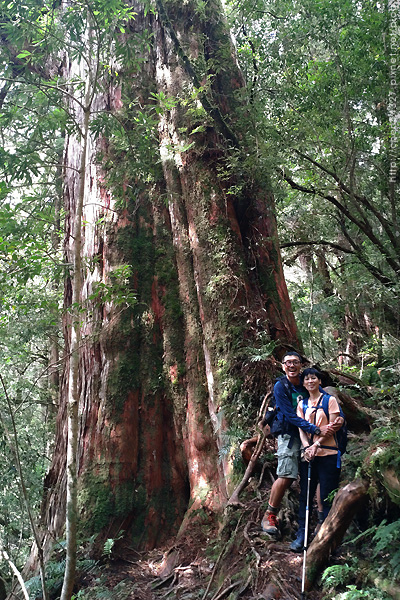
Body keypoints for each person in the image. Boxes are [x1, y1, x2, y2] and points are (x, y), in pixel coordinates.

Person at [261, 352, 335, 535]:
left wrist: (335, 416)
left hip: (310, 436)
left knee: (316, 473)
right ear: (282, 366)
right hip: (290, 434)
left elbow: (321, 396)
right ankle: (269, 515)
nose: (291, 366)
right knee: (287, 475)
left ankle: (320, 518)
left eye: (295, 362)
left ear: (301, 365)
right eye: (288, 363)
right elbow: (289, 414)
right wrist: (315, 429)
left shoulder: (305, 381)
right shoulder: (281, 386)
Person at [289, 367, 343, 552]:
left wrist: (316, 445)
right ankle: (302, 536)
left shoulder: (330, 400)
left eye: (314, 378)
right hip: (309, 455)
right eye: (307, 379)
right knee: (305, 495)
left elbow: (332, 427)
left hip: (328, 453)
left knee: (327, 495)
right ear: (303, 383)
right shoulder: (302, 404)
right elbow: (301, 427)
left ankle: (327, 539)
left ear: (320, 381)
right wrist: (306, 447)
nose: (310, 381)